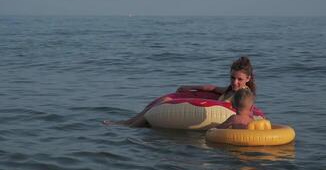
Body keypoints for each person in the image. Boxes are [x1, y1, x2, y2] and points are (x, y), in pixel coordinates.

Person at [103, 56, 264, 127]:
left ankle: (129, 125)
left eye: (239, 79)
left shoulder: (244, 95)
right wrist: (188, 87)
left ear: (248, 78)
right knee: (164, 100)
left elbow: (246, 112)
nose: (235, 82)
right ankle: (128, 122)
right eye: (232, 78)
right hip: (210, 111)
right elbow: (212, 88)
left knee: (165, 103)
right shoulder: (231, 88)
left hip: (214, 116)